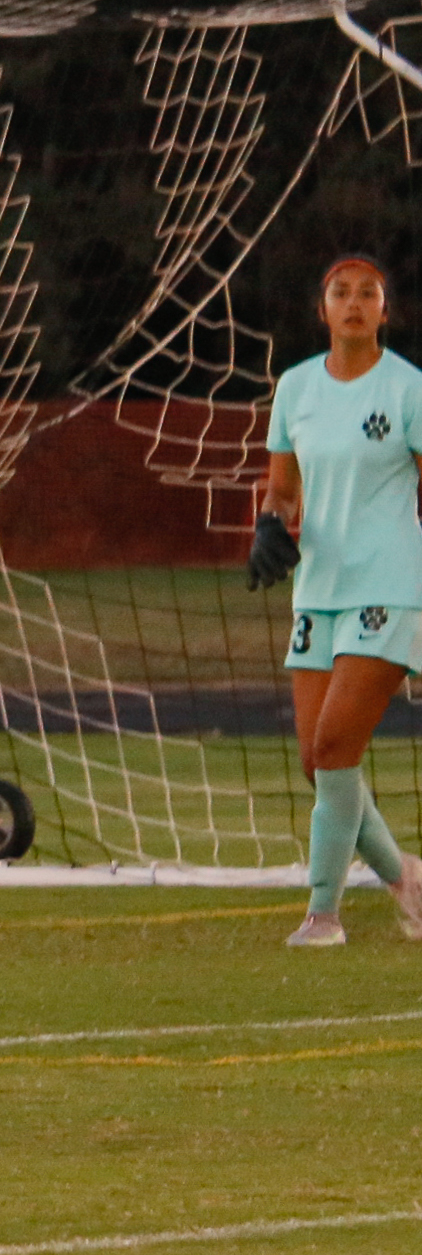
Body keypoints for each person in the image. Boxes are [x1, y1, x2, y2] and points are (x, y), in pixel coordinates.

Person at [251, 253, 422, 947]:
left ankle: (323, 914)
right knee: (319, 761)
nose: (354, 301)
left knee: (334, 743)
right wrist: (269, 524)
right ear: (321, 309)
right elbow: (284, 489)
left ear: (387, 310)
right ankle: (407, 877)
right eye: (340, 292)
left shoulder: (409, 388)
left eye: (368, 292)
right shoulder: (294, 388)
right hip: (317, 588)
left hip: (387, 585)